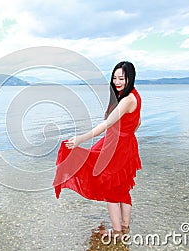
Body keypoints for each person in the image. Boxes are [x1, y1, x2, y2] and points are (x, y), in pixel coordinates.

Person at [52, 61, 142, 242]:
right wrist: (126, 134)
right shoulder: (134, 95)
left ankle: (117, 233)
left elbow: (105, 125)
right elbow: (138, 122)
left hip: (116, 147)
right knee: (122, 187)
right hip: (125, 144)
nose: (117, 82)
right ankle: (125, 228)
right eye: (115, 78)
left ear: (129, 78)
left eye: (121, 78)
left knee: (111, 190)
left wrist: (80, 139)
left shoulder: (126, 100)